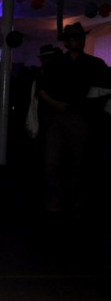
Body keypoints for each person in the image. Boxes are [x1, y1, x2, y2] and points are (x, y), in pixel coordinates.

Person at [36, 21, 109, 215]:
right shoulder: (56, 64)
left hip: (82, 118)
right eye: (74, 38)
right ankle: (56, 200)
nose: (79, 41)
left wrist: (92, 109)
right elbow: (41, 89)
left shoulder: (95, 64)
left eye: (80, 38)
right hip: (57, 117)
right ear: (66, 42)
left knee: (79, 161)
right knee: (52, 161)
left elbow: (106, 89)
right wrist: (55, 104)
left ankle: (75, 200)